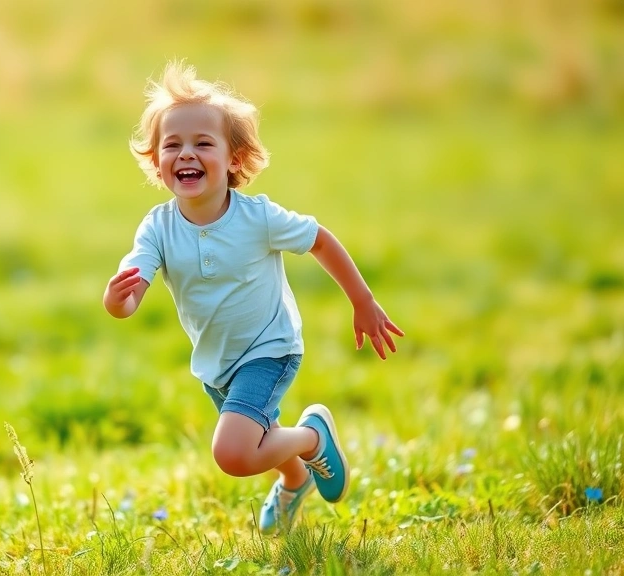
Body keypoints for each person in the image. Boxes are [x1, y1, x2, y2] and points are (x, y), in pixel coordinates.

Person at [103, 61, 404, 534]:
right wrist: (118, 300)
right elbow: (132, 289)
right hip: (215, 361)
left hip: (269, 349)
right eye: (172, 144)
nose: (187, 153)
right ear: (157, 162)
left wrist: (362, 300)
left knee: (235, 452)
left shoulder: (257, 217)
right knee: (259, 438)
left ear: (235, 159)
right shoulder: (157, 227)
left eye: (203, 143)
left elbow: (320, 239)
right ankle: (295, 481)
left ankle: (310, 439)